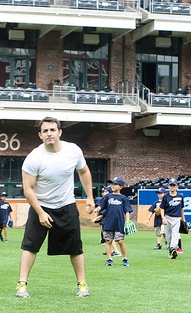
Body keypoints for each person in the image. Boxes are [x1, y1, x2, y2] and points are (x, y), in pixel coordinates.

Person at [15, 117, 94, 298]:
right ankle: (21, 284)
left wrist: (90, 197)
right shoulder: (34, 158)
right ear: (40, 135)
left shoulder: (73, 151)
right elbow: (28, 189)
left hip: (66, 205)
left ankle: (82, 284)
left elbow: (84, 171)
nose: (49, 133)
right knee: (30, 246)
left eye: (52, 130)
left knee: (76, 248)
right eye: (45, 131)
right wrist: (41, 213)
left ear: (60, 132)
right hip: (40, 206)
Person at [97, 177, 132, 267]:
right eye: (112, 184)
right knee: (108, 241)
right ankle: (109, 259)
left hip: (119, 222)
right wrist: (96, 209)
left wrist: (127, 221)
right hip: (108, 222)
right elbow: (101, 206)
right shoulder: (108, 196)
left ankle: (125, 258)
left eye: (115, 184)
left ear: (121, 187)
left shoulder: (123, 198)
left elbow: (127, 210)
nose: (112, 186)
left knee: (120, 241)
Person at [159, 179, 185, 259]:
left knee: (175, 234)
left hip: (177, 218)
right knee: (168, 236)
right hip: (168, 217)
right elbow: (162, 208)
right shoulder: (166, 197)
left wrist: (183, 219)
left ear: (177, 186)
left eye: (174, 185)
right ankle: (171, 250)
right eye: (171, 185)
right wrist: (163, 218)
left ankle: (174, 248)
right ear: (168, 186)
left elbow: (181, 208)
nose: (172, 187)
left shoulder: (180, 196)